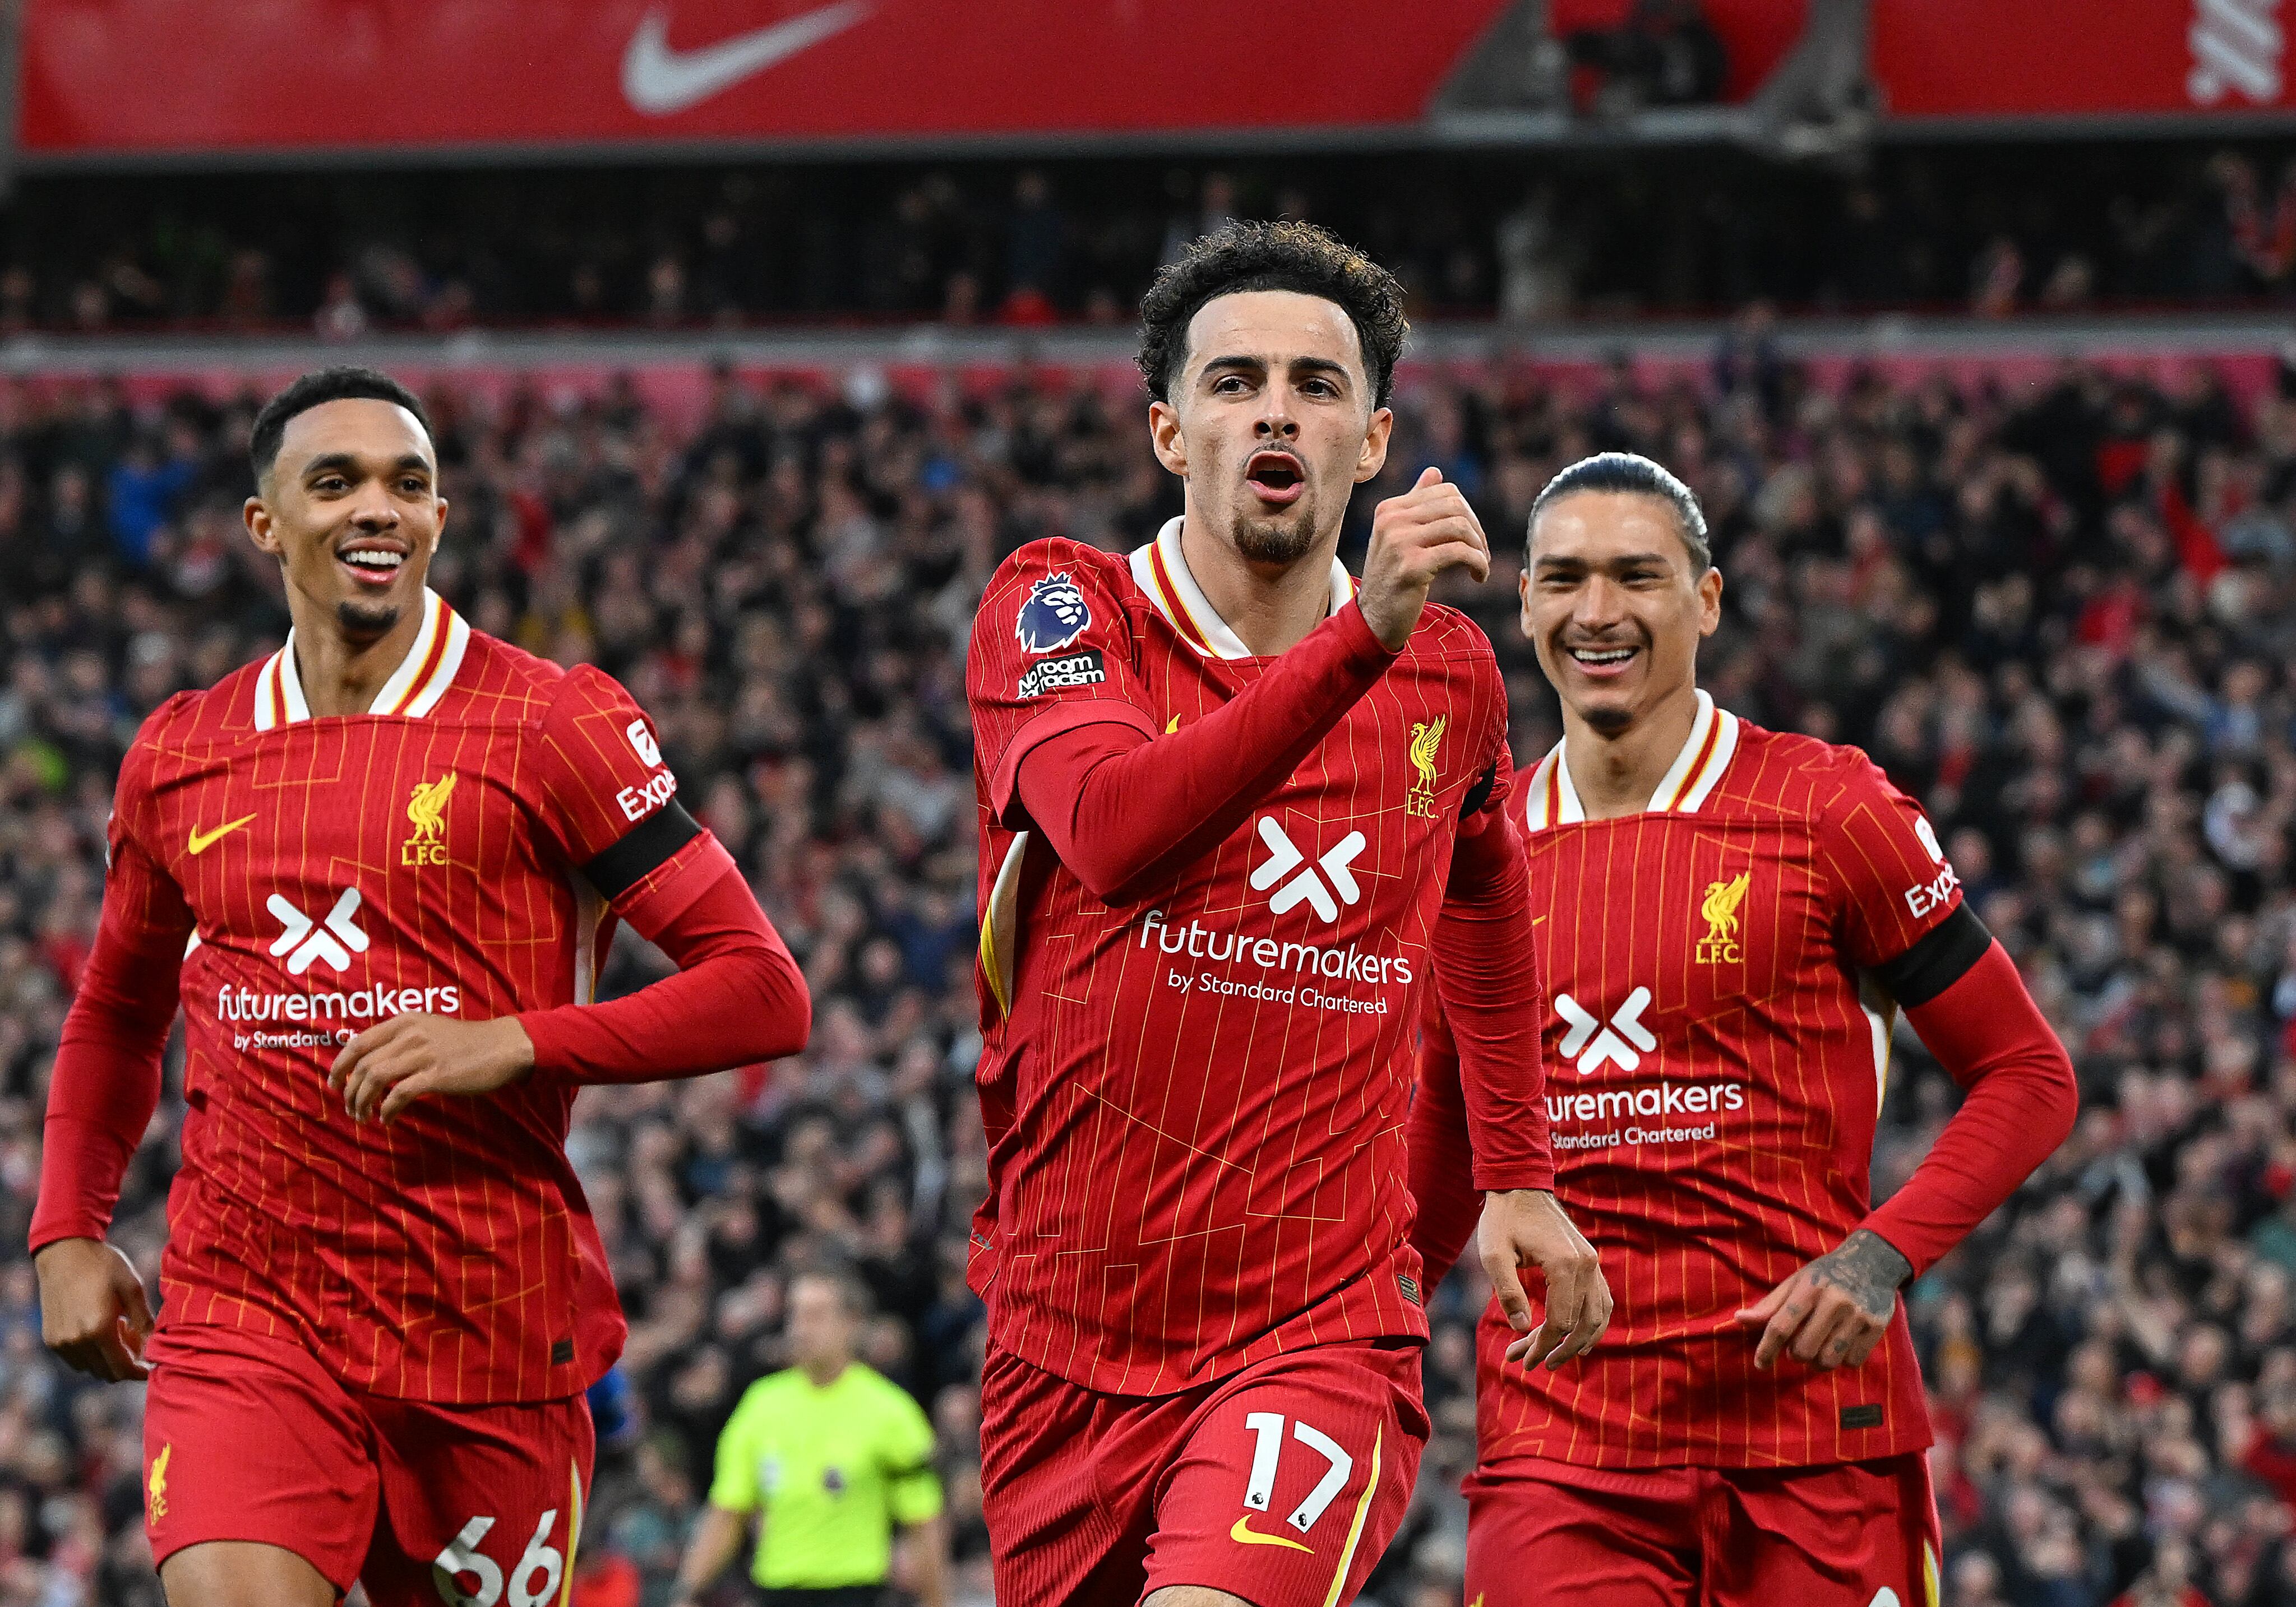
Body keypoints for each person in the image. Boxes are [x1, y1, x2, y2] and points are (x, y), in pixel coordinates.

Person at [30, 366, 812, 1606]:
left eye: (407, 484)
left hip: (487, 1326)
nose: (375, 509)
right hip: (247, 1314)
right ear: (265, 523)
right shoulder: (183, 750)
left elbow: (763, 989)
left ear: (439, 519)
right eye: (334, 482)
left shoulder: (550, 725)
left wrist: (517, 1040)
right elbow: (120, 1010)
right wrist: (68, 1228)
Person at [963, 220, 1611, 1607]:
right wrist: (1354, 642)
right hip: (1060, 1337)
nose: (1275, 410)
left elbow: (1487, 902)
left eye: (1316, 386)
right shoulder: (1060, 605)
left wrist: (1519, 1170)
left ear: (1369, 443)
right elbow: (1112, 831)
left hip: (1313, 1328)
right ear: (1169, 429)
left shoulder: (1446, 674)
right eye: (1235, 380)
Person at [1410, 451, 2080, 1605]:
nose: (1597, 611)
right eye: (1564, 578)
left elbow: (2027, 1072)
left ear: (1707, 599)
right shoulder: (1468, 850)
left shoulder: (1830, 809)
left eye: (1637, 575)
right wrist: (1354, 1347)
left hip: (1815, 1435)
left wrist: (1879, 1254)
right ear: (1522, 603)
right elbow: (1439, 1136)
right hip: (1564, 1450)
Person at [668, 1271, 950, 1607]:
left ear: (851, 1323)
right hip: (777, 1591)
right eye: (796, 1314)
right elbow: (728, 1512)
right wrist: (687, 1591)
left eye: (816, 1315)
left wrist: (936, 1601)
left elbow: (924, 1522)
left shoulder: (890, 1412)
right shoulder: (761, 1405)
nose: (801, 1329)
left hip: (856, 1592)